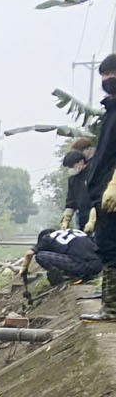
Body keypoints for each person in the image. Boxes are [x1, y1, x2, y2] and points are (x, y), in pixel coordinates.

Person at [82, 56, 116, 319]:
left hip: (111, 192)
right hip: (102, 195)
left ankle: (112, 306)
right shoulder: (110, 111)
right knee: (106, 245)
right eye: (103, 75)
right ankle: (109, 302)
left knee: (111, 247)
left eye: (111, 74)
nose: (106, 80)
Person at [24, 227, 103, 286]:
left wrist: (24, 269)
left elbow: (29, 254)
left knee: (40, 256)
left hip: (81, 266)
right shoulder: (77, 232)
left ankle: (63, 278)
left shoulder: (47, 239)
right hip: (99, 265)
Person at [58, 146, 95, 234]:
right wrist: (66, 218)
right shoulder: (73, 180)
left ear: (81, 162)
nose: (70, 169)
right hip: (82, 217)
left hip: (97, 215)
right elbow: (71, 200)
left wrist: (93, 219)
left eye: (72, 166)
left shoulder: (93, 172)